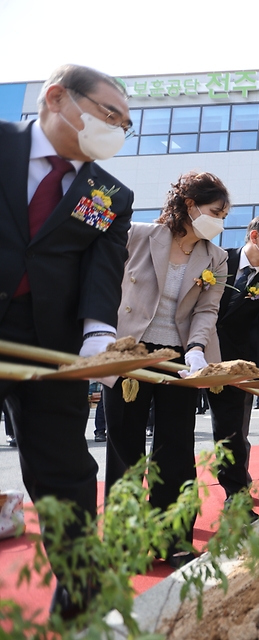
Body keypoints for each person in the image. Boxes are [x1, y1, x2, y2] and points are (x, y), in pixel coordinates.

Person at [0, 64, 134, 617]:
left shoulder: (107, 193)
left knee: (64, 467)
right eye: (110, 115)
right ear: (57, 97)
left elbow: (103, 272)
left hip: (49, 342)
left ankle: (81, 596)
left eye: (126, 124)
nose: (118, 130)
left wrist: (98, 336)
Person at [101, 171, 230, 569]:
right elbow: (105, 282)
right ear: (190, 206)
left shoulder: (216, 257)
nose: (221, 219)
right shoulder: (138, 235)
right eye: (216, 210)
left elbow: (207, 309)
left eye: (225, 213)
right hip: (130, 353)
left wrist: (195, 349)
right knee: (125, 448)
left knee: (175, 448)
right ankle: (123, 539)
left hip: (179, 360)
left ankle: (174, 537)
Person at [208, 215, 259, 509]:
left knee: (232, 435)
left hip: (232, 366)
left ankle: (237, 501)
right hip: (191, 351)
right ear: (255, 237)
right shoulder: (218, 259)